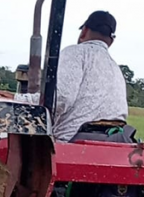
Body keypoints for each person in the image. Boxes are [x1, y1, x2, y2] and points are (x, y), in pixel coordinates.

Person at [52, 11, 130, 143]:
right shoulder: (115, 68)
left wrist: (20, 99)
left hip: (72, 142)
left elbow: (61, 98)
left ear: (84, 31)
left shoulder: (75, 53)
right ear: (111, 41)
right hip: (116, 140)